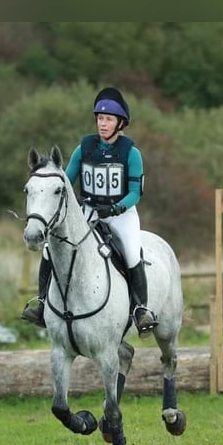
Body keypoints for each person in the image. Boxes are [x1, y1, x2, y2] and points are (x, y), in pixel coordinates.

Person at [21, 86, 158, 337]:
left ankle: (141, 310)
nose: (102, 124)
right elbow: (65, 181)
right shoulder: (84, 148)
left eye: (108, 119)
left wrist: (116, 207)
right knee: (52, 248)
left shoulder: (131, 153)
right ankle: (41, 303)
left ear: (120, 123)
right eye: (99, 119)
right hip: (90, 212)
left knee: (130, 252)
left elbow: (136, 193)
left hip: (121, 215)